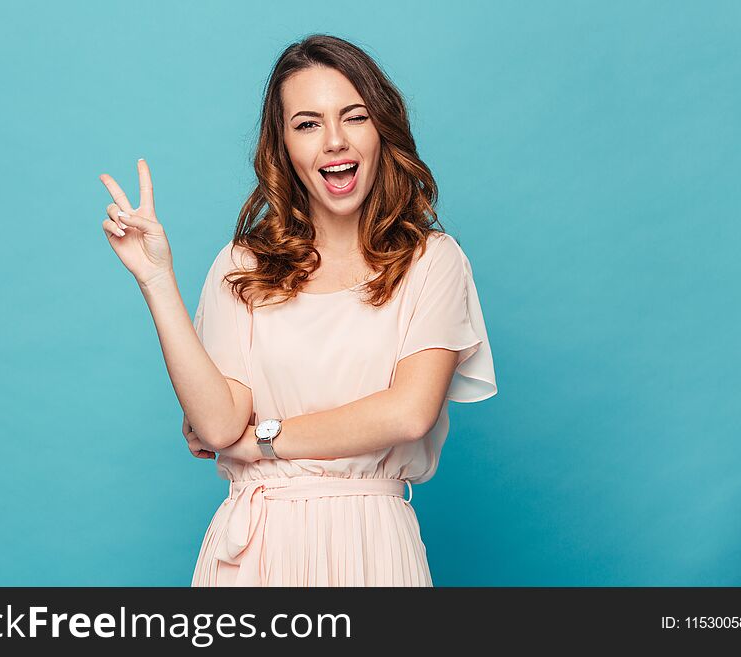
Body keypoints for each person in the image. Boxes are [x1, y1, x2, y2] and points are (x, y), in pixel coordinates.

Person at [98, 34, 498, 587]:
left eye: (353, 117)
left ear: (380, 130)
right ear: (283, 145)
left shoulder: (433, 261)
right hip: (253, 553)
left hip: (371, 546)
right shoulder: (242, 265)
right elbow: (215, 423)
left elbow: (408, 413)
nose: (334, 141)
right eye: (308, 123)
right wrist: (158, 281)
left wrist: (259, 439)